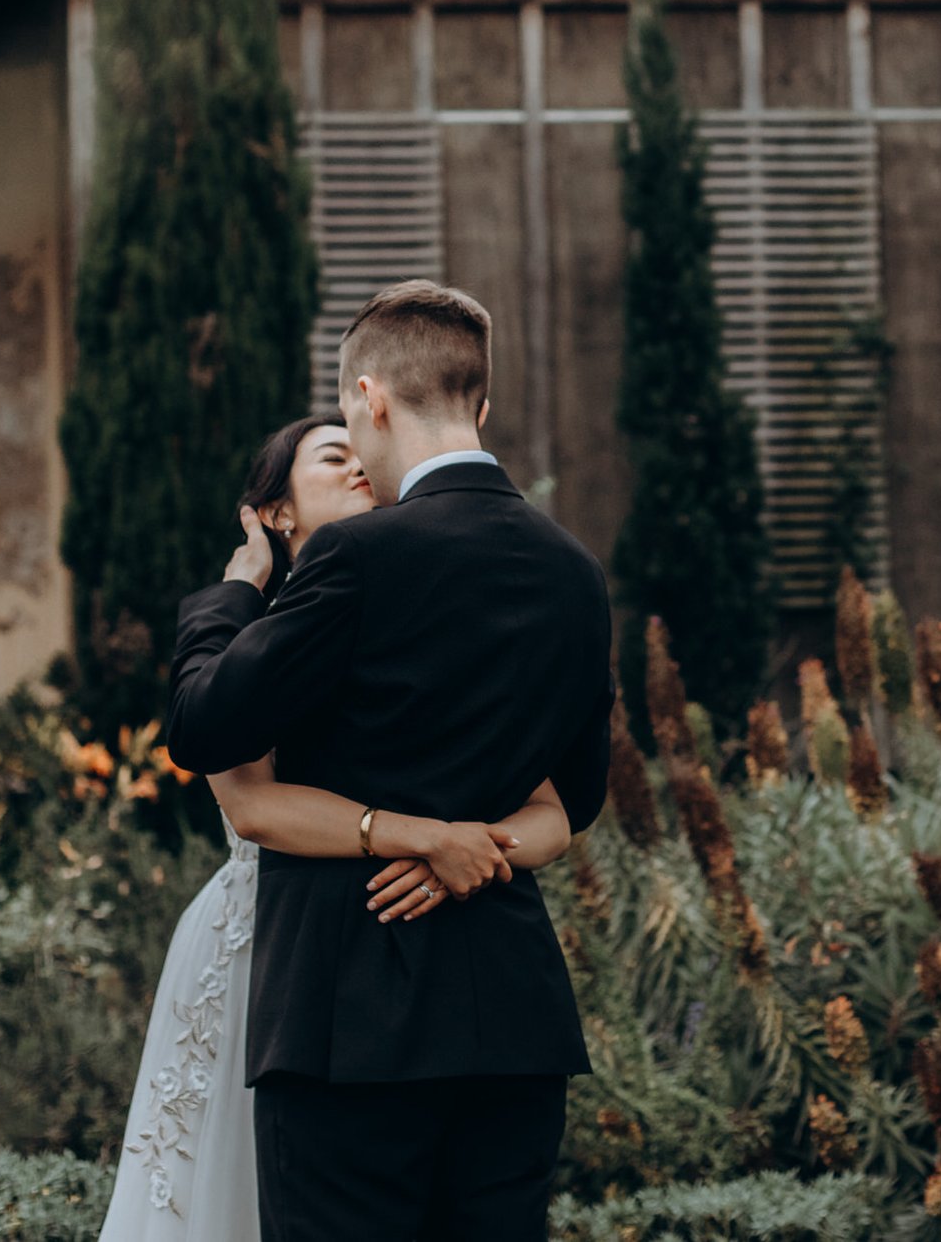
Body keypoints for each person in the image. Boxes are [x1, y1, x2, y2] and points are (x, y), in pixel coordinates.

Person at [167, 281, 614, 1242]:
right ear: (481, 404)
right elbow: (575, 798)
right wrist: (463, 846)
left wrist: (226, 603)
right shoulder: (576, 571)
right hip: (513, 1025)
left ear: (370, 398)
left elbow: (204, 730)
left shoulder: (359, 558)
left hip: (349, 1023)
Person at [97, 414, 574, 1242]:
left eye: (365, 455)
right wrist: (425, 837)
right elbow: (248, 804)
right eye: (332, 456)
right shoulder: (248, 639)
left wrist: (459, 846)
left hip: (438, 987)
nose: (360, 465)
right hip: (278, 954)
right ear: (276, 514)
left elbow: (546, 804)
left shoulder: (432, 605)